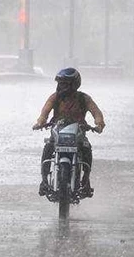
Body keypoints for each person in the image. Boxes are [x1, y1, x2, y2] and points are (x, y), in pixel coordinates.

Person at [32, 67, 105, 198]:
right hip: (57, 131)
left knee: (86, 149)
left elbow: (96, 112)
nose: (61, 86)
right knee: (48, 148)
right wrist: (40, 122)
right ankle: (44, 181)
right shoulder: (55, 98)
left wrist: (99, 124)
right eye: (60, 83)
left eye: (65, 84)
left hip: (78, 132)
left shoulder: (84, 98)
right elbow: (45, 112)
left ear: (74, 84)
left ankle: (86, 180)